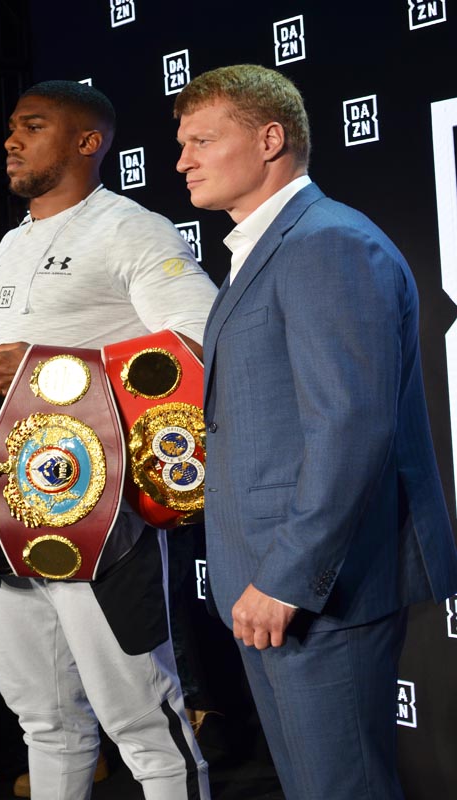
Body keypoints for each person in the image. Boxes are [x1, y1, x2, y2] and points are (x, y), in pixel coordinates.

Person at [173, 64, 457, 800]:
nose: (182, 160)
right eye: (181, 142)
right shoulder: (269, 251)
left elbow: (350, 431)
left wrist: (288, 578)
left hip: (314, 589)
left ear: (271, 140)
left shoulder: (327, 244)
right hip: (266, 585)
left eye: (203, 140)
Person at [0, 80, 217, 800]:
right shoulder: (13, 241)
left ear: (88, 143)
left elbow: (200, 342)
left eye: (32, 126)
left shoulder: (130, 228)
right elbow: (4, 340)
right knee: (45, 722)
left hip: (96, 514)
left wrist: (53, 368)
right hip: (0, 510)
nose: (10, 140)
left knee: (143, 724)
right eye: (10, 126)